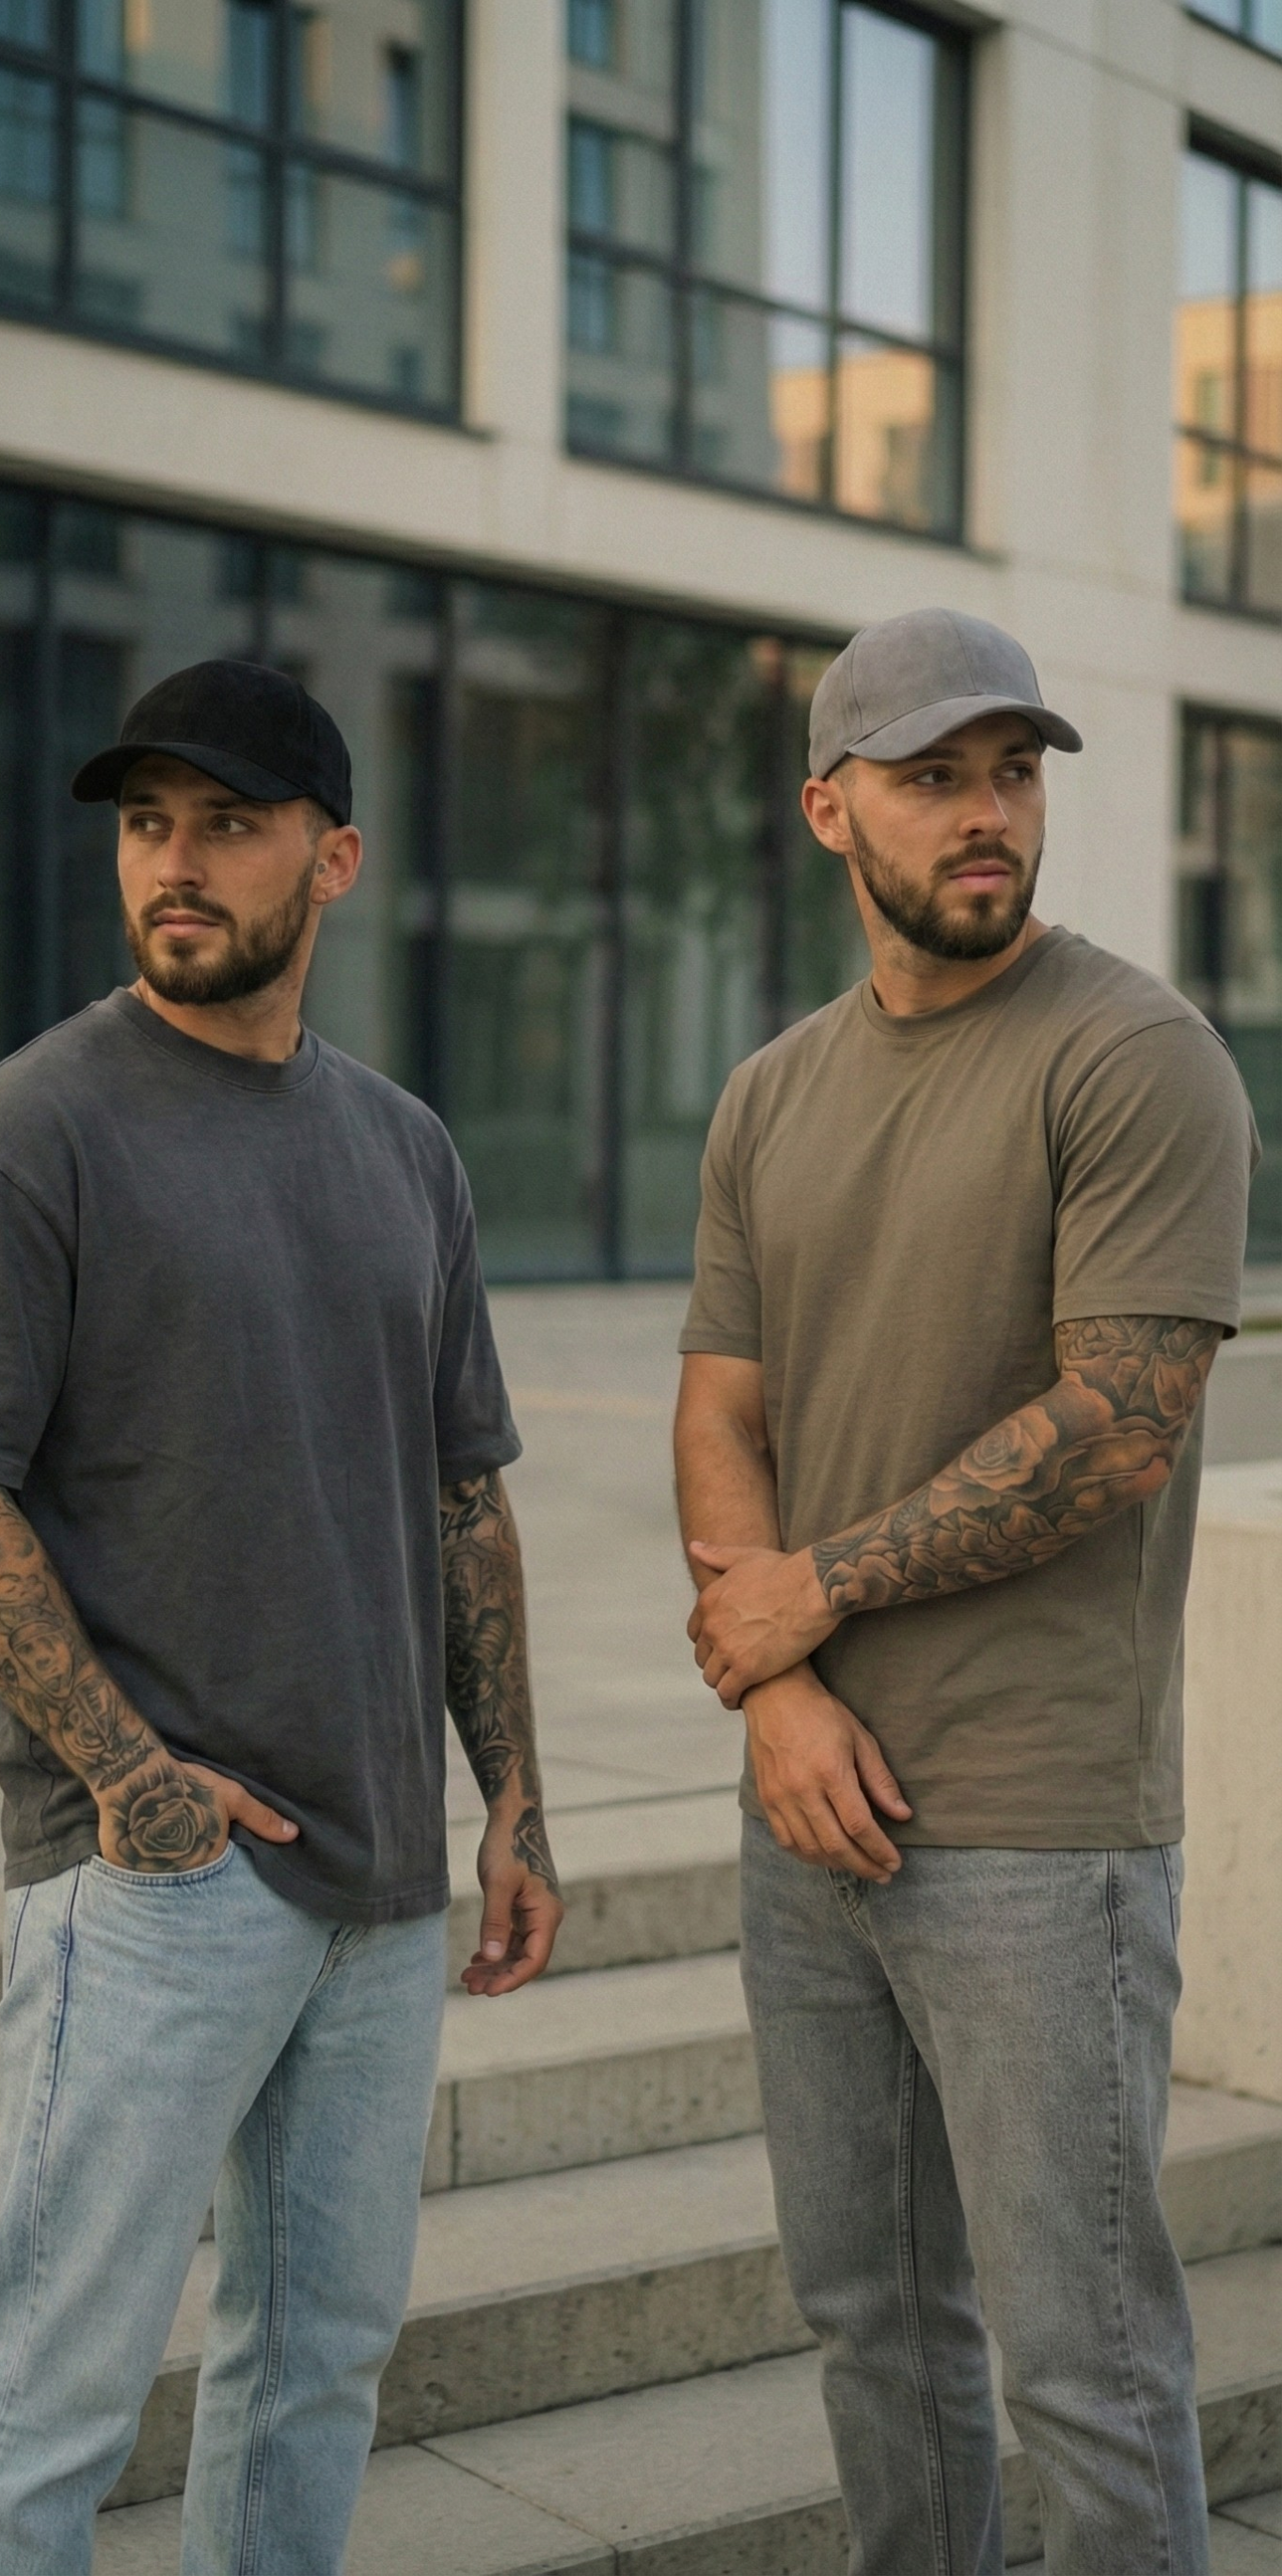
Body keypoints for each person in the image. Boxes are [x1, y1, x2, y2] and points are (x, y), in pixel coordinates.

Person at [0, 658, 563, 2576]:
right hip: (157, 1886)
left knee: (316, 2366)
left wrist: (511, 1796)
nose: (174, 863)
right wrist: (133, 1779)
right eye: (147, 824)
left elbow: (460, 1494)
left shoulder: (406, 1149)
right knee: (52, 2396)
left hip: (378, 1886)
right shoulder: (30, 1133)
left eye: (229, 825)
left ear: (332, 860)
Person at [673, 608, 1257, 2576]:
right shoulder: (769, 1094)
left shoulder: (1132, 1057)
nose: (985, 812)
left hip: (1032, 1825)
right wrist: (776, 1692)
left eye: (1011, 771)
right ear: (829, 808)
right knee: (872, 2327)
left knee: (1082, 2366)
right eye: (933, 777)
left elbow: (1117, 1423)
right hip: (804, 1806)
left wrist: (808, 1595)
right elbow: (719, 1409)